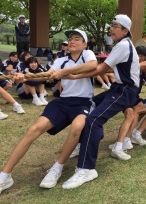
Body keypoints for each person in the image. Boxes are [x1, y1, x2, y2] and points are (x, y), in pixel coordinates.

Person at [0, 28, 98, 194]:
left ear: (85, 44)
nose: (72, 41)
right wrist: (25, 77)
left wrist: (63, 73)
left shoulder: (88, 55)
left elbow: (93, 65)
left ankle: (57, 167)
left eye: (76, 38)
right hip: (63, 102)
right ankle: (5, 176)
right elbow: (47, 75)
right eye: (70, 39)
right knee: (33, 129)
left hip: (83, 103)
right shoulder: (61, 60)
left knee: (77, 127)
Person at [62, 14, 140, 188]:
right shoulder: (123, 45)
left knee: (94, 120)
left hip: (126, 90)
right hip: (119, 88)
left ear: (125, 30)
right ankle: (85, 142)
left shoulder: (123, 45)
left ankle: (87, 168)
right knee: (88, 106)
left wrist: (75, 76)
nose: (111, 29)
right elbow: (108, 69)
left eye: (115, 26)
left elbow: (102, 68)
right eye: (111, 25)